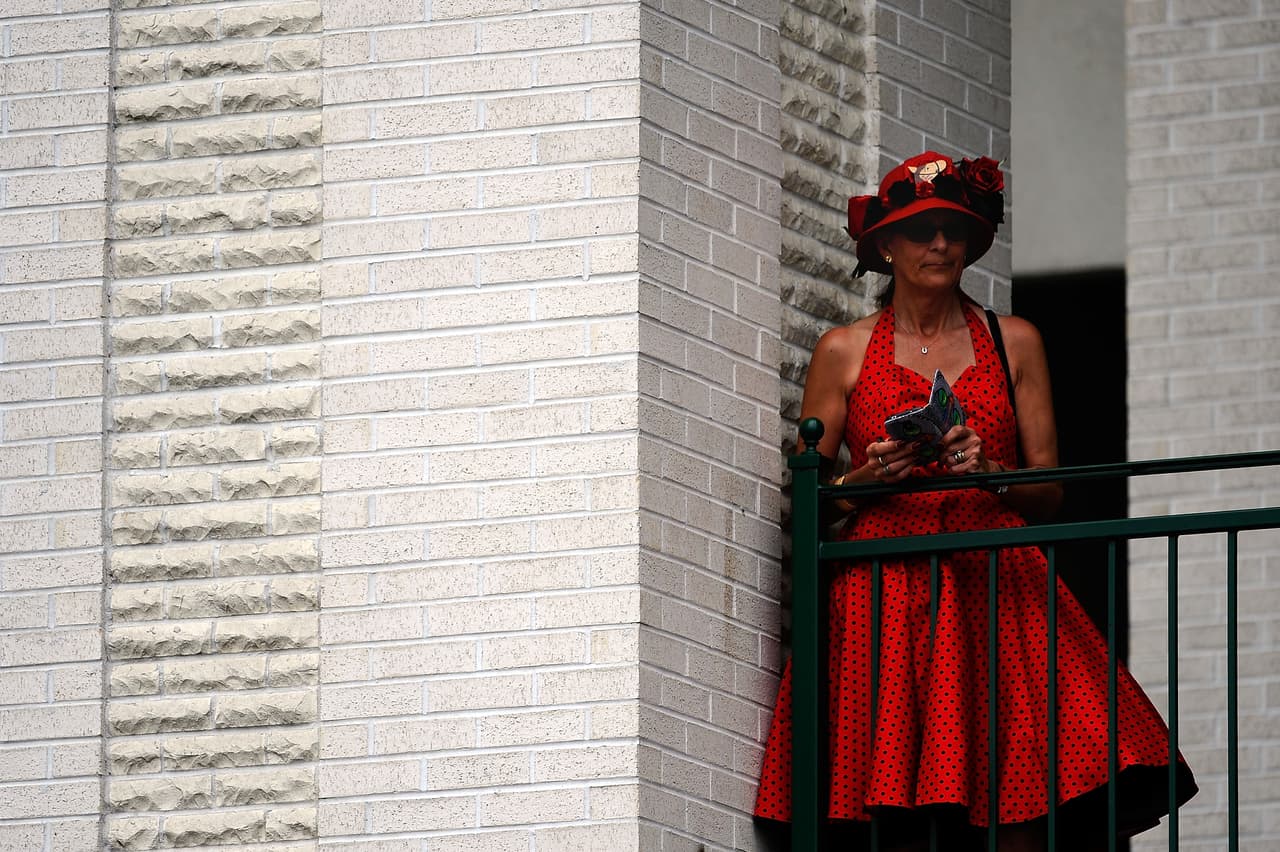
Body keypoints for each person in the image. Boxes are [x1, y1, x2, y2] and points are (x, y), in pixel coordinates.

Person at [753, 151, 1195, 850]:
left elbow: (1049, 491)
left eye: (954, 232)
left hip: (995, 583)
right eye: (923, 230)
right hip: (886, 590)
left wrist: (990, 468)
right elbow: (809, 498)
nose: (940, 245)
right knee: (893, 801)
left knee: (1016, 785)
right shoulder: (843, 350)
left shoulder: (1013, 340)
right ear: (887, 246)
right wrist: (868, 479)